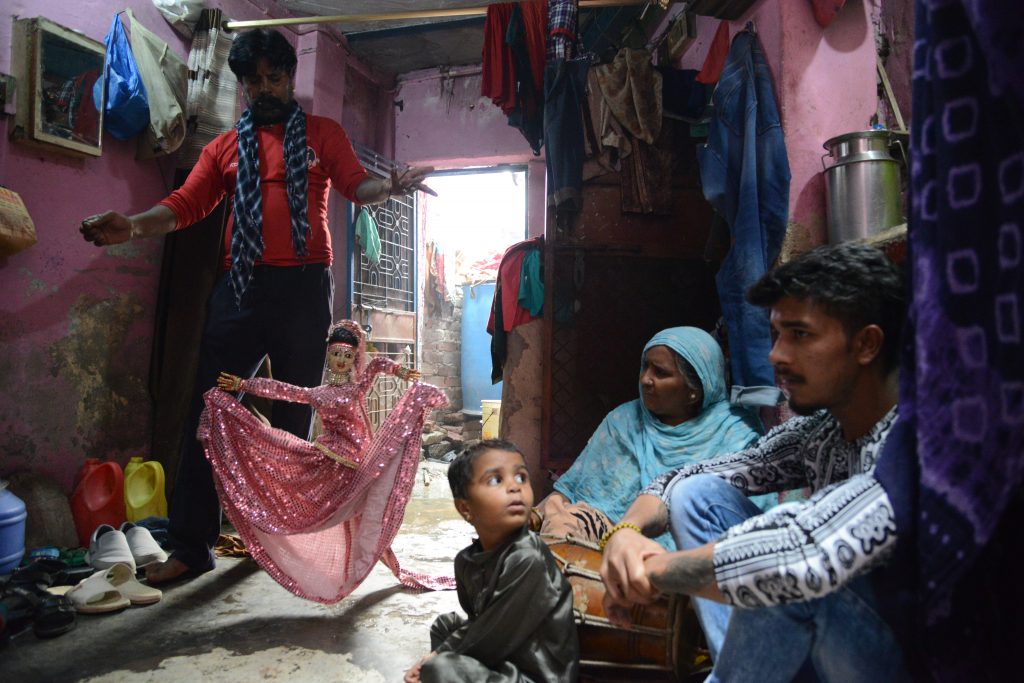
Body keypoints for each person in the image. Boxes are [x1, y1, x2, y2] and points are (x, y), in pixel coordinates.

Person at [78, 28, 435, 584]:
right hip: (240, 292)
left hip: (302, 291)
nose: (265, 87)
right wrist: (131, 228)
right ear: (242, 86)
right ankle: (193, 545)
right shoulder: (224, 147)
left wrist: (388, 189)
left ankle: (288, 541)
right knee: (210, 411)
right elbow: (184, 205)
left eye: (275, 77)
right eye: (254, 81)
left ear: (291, 78)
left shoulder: (323, 133)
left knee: (294, 422)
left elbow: (355, 184)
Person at [600, 242, 910, 681]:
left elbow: (807, 551)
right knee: (696, 495)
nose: (776, 356)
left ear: (866, 344)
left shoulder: (915, 440)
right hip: (826, 647)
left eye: (800, 335)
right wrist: (626, 534)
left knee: (792, 572)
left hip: (908, 659)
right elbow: (687, 477)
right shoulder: (823, 432)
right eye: (777, 334)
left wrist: (649, 572)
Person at [199, 320, 450, 602]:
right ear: (328, 356)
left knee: (369, 512)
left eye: (348, 355)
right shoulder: (317, 394)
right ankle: (292, 520)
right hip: (331, 460)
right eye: (336, 354)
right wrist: (244, 384)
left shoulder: (357, 388)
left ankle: (344, 543)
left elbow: (378, 364)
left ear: (354, 359)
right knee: (294, 478)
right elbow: (282, 390)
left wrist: (401, 371)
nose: (341, 360)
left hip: (361, 465)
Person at [534, 327, 774, 548]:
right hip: (610, 531)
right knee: (562, 525)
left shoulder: (734, 432)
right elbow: (573, 491)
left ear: (694, 390)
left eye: (660, 373)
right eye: (645, 367)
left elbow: (748, 517)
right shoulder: (624, 420)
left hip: (693, 545)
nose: (645, 379)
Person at [405, 440, 579, 683]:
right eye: (496, 480)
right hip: (505, 656)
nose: (514, 487)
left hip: (535, 675)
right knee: (444, 626)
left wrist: (436, 657)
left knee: (441, 668)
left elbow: (490, 632)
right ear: (465, 508)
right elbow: (481, 621)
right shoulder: (465, 562)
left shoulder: (529, 557)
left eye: (521, 478)